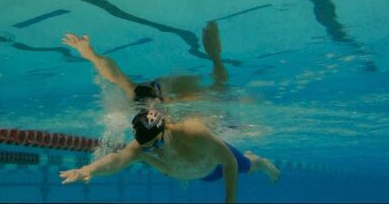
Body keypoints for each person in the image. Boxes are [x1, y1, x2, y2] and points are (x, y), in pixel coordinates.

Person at [59, 109, 280, 203]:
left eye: (158, 142)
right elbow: (117, 160)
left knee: (247, 165)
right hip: (199, 173)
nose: (155, 150)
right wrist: (88, 170)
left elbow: (229, 162)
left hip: (217, 162)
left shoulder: (193, 133)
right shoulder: (141, 147)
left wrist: (229, 201)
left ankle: (258, 160)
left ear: (166, 129)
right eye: (147, 147)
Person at [62, 21, 228, 104]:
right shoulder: (194, 105)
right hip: (164, 98)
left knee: (218, 89)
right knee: (218, 90)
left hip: (161, 97)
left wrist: (91, 55)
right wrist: (91, 55)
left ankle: (214, 55)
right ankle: (214, 54)